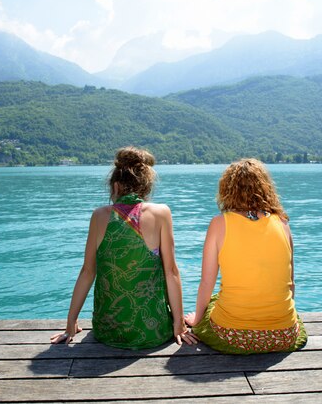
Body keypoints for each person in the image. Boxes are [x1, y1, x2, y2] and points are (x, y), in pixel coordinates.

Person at [51, 147, 197, 349]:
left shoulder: (99, 215)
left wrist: (70, 325)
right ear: (146, 186)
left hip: (108, 331)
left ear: (116, 186)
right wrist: (179, 325)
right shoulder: (161, 213)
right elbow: (171, 272)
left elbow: (87, 272)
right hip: (152, 332)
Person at [184, 158, 307, 354]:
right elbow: (290, 284)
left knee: (214, 301)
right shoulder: (282, 223)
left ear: (227, 189)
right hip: (283, 334)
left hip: (236, 336)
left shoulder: (219, 224)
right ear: (265, 187)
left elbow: (206, 284)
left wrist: (197, 322)